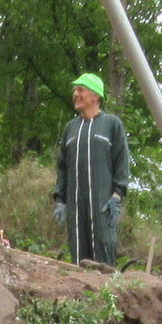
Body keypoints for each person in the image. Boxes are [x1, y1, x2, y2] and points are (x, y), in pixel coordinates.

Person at [52, 73, 131, 267]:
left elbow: (122, 162)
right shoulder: (70, 128)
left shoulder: (111, 124)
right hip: (75, 206)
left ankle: (106, 287)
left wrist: (117, 197)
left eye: (80, 90)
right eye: (74, 91)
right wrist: (60, 200)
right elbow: (62, 167)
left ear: (95, 95)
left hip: (103, 205)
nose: (75, 95)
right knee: (78, 256)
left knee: (103, 255)